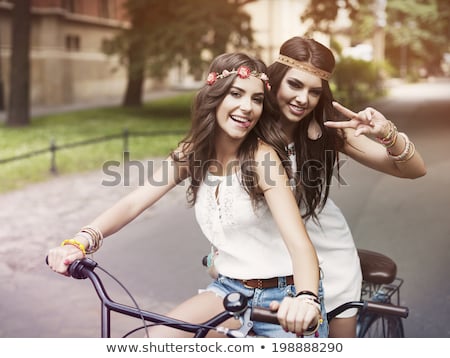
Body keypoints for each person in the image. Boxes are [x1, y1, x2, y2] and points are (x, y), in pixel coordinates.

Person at [47, 52, 327, 338]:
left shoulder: (262, 158)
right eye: (236, 94)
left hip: (284, 299)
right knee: (157, 341)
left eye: (256, 99)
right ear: (214, 96)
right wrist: (81, 241)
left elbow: (300, 245)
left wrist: (306, 299)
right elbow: (134, 202)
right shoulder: (194, 152)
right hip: (229, 291)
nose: (247, 107)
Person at [265, 36, 426, 337]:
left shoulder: (330, 129)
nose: (303, 99)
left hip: (327, 255)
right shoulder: (248, 124)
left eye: (314, 92)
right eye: (295, 85)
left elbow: (414, 170)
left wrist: (387, 133)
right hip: (265, 254)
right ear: (275, 81)